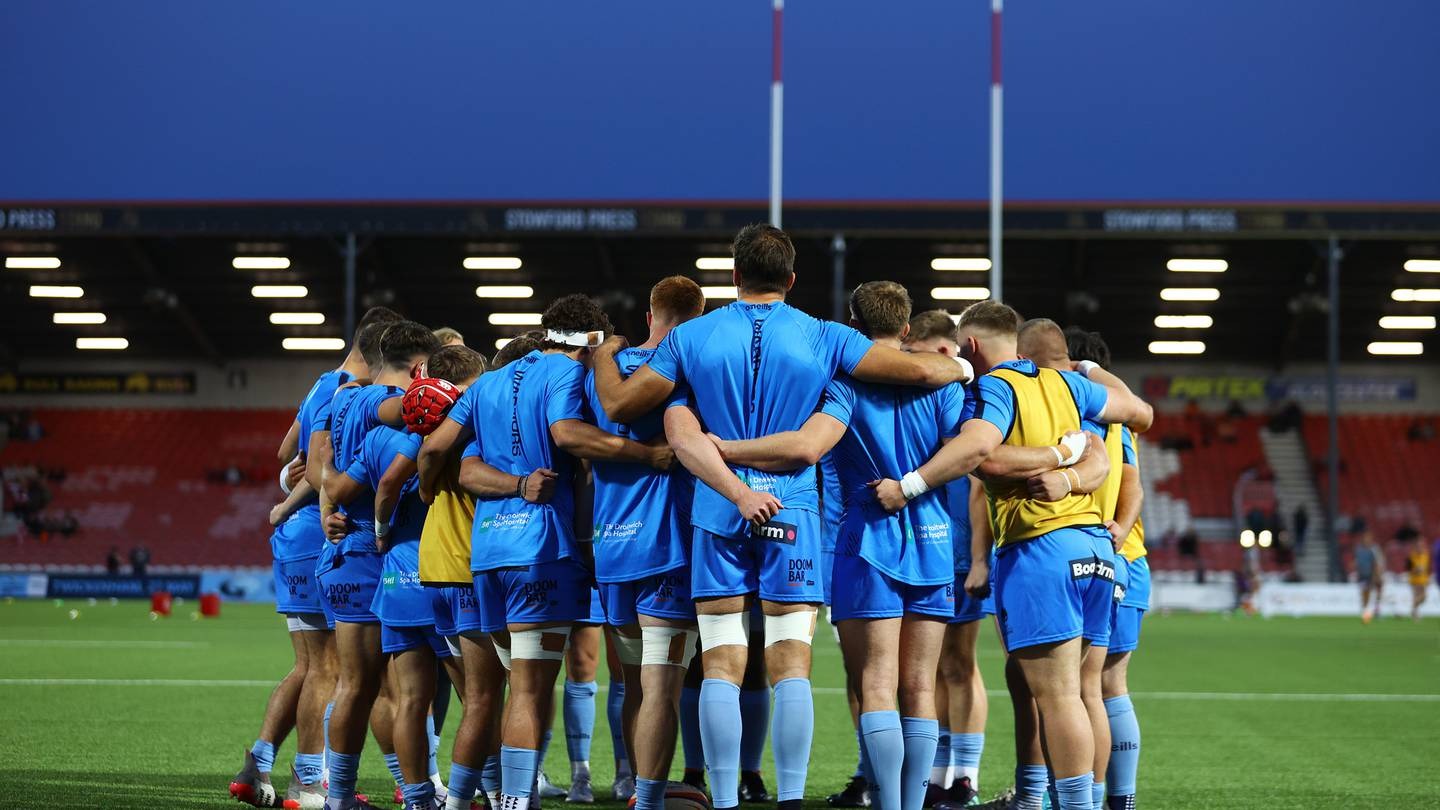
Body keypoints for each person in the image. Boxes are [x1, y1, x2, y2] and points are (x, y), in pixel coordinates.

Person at [593, 224, 974, 810]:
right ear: (792, 280)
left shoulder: (691, 337)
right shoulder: (823, 334)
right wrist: (963, 369)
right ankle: (790, 799)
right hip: (793, 510)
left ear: (735, 275)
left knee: (720, 661)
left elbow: (621, 404)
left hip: (718, 510)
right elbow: (921, 372)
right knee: (790, 663)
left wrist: (602, 356)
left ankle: (722, 798)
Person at [870, 301, 1152, 810]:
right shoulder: (1067, 385)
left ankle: (1068, 804)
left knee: (1059, 696)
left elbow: (983, 454)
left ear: (972, 347)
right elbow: (1139, 415)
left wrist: (909, 486)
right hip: (1096, 551)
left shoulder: (994, 387)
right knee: (1086, 693)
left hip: (1041, 549)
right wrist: (1070, 460)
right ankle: (1082, 800)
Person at [417, 294, 674, 810]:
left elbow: (440, 453)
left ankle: (468, 800)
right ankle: (515, 801)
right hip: (542, 551)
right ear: (592, 341)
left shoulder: (489, 381)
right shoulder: (567, 375)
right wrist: (645, 454)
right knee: (531, 692)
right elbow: (566, 434)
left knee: (507, 691)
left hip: (487, 557)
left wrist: (433, 492)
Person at [229, 305, 402, 810]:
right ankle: (309, 783)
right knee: (330, 667)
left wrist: (287, 487)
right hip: (319, 534)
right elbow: (320, 469)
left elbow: (288, 453)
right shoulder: (350, 392)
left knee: (308, 665)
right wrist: (296, 494)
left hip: (295, 538)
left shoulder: (321, 383)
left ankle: (259, 763)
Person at [581, 276, 708, 810]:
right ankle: (650, 798)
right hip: (666, 543)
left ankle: (629, 781)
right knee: (661, 684)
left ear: (652, 311)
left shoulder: (598, 371)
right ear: (696, 316)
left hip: (610, 543)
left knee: (629, 680)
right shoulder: (688, 366)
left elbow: (577, 436)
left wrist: (605, 351)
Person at [319, 320, 441, 810]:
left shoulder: (342, 396)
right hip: (375, 552)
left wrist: (329, 510)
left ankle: (342, 798)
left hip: (342, 550)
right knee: (399, 691)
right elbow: (405, 407)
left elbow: (317, 463)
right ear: (419, 368)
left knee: (359, 685)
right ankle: (419, 791)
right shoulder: (379, 403)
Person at [1065, 327, 1148, 810]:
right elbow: (1135, 486)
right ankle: (1118, 799)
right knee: (1105, 684)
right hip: (1128, 559)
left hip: (1102, 556)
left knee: (1083, 687)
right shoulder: (1121, 424)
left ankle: (1081, 796)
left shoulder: (1093, 413)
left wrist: (1116, 528)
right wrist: (1123, 526)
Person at [1354, 524, 1384, 623]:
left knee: (1378, 590)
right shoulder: (1359, 549)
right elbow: (1358, 563)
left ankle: (1376, 610)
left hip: (1373, 574)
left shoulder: (1374, 548)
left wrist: (1377, 575)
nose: (1367, 539)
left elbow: (1377, 562)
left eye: (1369, 537)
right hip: (1363, 575)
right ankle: (1366, 612)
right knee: (1365, 595)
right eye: (1366, 537)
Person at [1402, 530, 1429, 622]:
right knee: (1417, 596)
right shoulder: (1411, 556)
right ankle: (1415, 615)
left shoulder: (1425, 555)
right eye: (1418, 545)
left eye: (1421, 544)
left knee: (1423, 597)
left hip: (1423, 579)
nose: (1420, 547)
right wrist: (1416, 570)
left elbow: (1426, 568)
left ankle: (1413, 609)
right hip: (1414, 580)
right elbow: (1408, 569)